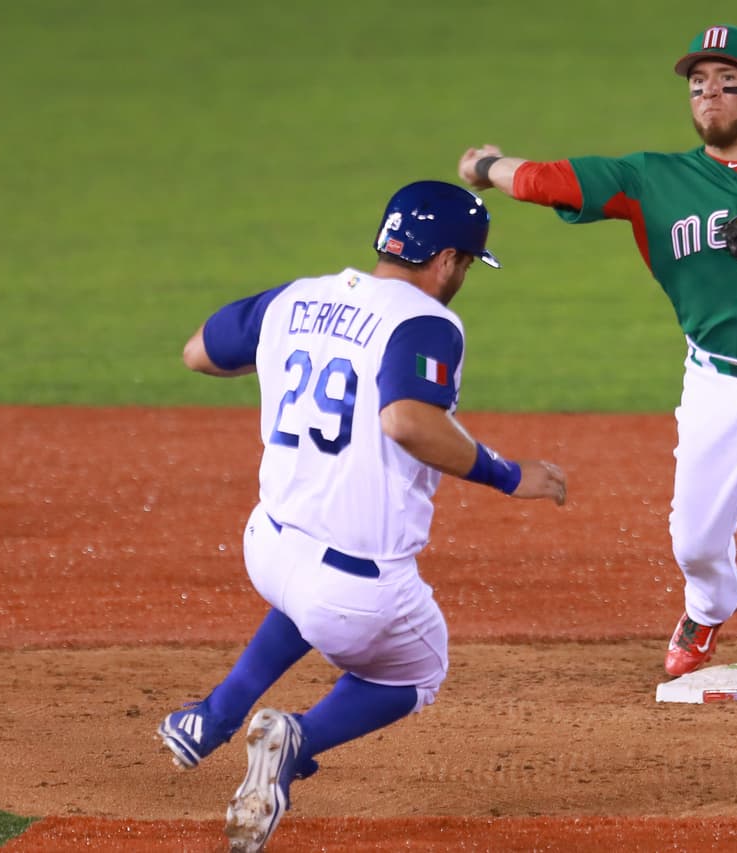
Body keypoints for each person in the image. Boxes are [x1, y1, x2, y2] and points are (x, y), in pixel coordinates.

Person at [457, 24, 737, 701]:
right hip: (714, 383)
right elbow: (544, 180)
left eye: (729, 81)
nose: (711, 93)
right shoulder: (655, 179)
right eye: (699, 83)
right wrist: (484, 169)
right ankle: (710, 608)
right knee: (693, 541)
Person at [157, 180, 567, 852]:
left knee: (308, 584)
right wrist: (510, 474)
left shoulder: (297, 296)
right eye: (465, 263)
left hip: (267, 545)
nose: (462, 276)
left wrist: (285, 349)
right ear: (447, 261)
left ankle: (214, 715)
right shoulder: (428, 321)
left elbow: (199, 352)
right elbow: (407, 421)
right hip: (355, 591)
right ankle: (296, 739)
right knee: (416, 670)